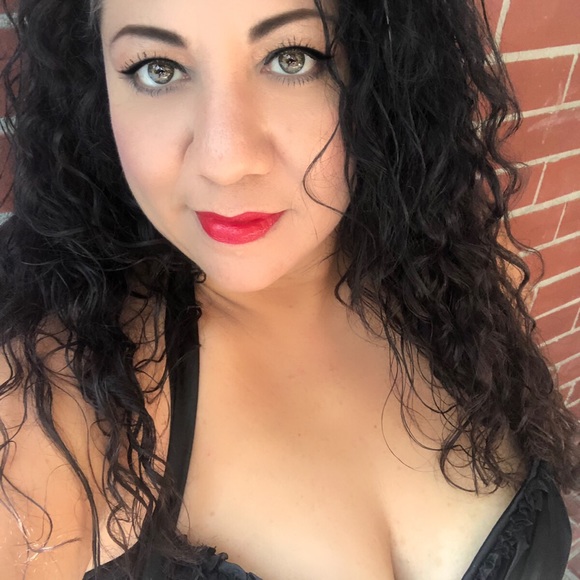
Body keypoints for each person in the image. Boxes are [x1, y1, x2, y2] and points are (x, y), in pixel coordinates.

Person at [0, 0, 578, 578]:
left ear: (377, 69)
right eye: (158, 68)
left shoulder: (457, 277)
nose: (225, 161)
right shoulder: (57, 402)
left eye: (291, 57)